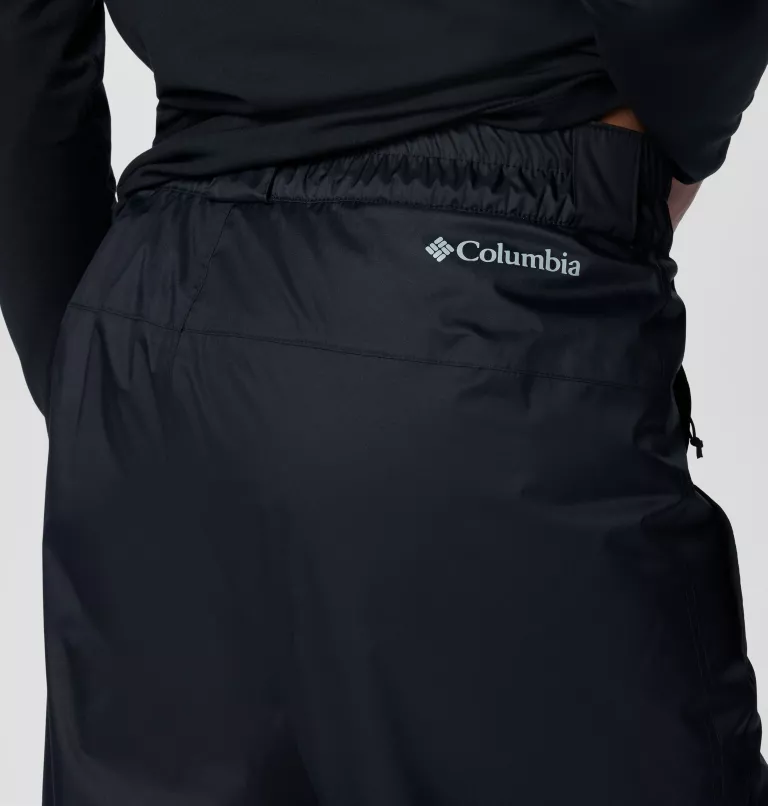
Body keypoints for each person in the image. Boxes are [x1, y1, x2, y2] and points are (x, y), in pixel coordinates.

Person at [1, 1, 767, 803]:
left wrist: (96, 365)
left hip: (161, 331)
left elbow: (25, 37)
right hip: (482, 299)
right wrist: (658, 157)